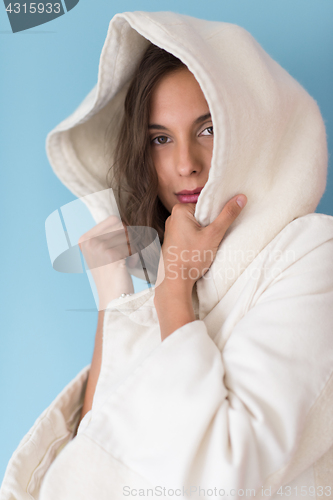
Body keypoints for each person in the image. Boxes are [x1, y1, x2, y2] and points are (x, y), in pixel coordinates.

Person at [1, 10, 332, 500]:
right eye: (160, 139)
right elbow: (88, 466)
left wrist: (174, 287)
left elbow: (221, 476)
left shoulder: (313, 254)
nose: (185, 165)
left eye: (208, 129)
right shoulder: (161, 278)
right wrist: (116, 300)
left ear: (253, 128)